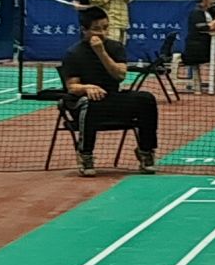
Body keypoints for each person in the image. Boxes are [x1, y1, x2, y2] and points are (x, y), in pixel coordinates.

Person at [58, 10, 159, 174]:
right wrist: (87, 87)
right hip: (83, 102)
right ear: (84, 29)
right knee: (88, 103)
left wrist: (101, 52)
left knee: (146, 99)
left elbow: (120, 75)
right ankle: (85, 155)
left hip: (111, 99)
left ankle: (145, 151)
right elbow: (72, 87)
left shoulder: (115, 47)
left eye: (105, 28)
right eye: (96, 29)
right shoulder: (74, 53)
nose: (102, 33)